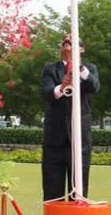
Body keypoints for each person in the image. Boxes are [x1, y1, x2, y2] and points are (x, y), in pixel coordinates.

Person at [40, 35, 100, 201]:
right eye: (65, 43)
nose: (69, 45)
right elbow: (46, 93)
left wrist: (79, 69)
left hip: (80, 139)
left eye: (74, 43)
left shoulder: (90, 68)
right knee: (52, 192)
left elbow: (93, 86)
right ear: (61, 48)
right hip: (55, 140)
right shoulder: (50, 69)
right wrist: (63, 85)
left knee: (79, 194)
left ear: (82, 49)